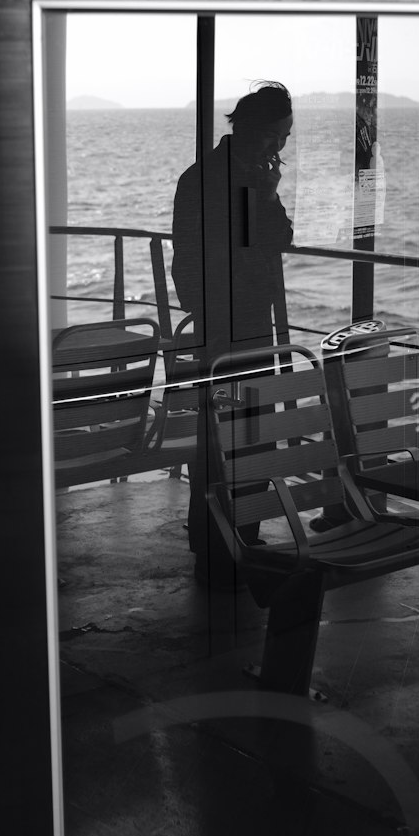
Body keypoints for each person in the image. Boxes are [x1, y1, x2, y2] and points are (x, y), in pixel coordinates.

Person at [171, 82, 294, 583]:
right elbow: (270, 237)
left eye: (284, 138)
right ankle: (231, 539)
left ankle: (224, 538)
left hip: (227, 323)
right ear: (248, 128)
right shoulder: (230, 181)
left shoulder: (208, 175)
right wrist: (267, 194)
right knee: (238, 433)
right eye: (274, 136)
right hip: (233, 326)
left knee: (231, 434)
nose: (279, 148)